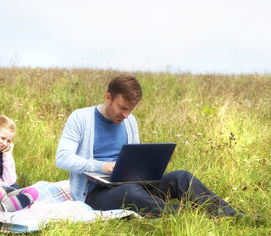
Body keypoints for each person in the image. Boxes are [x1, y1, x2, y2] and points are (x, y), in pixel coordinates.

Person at [56, 75, 241, 217]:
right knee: (131, 191)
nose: (126, 115)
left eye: (131, 109)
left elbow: (134, 157)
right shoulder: (80, 118)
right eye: (122, 108)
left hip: (131, 184)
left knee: (181, 177)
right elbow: (62, 157)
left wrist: (143, 171)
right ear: (108, 98)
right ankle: (186, 216)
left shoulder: (130, 121)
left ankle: (232, 215)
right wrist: (101, 166)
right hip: (96, 194)